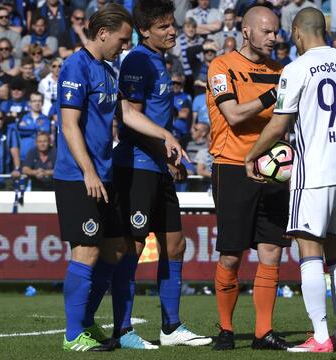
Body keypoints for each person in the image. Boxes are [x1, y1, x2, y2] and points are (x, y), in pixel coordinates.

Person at [246, 8, 336, 352]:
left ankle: (321, 336)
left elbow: (279, 125)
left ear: (298, 32)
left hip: (312, 174)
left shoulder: (295, 69)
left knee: (309, 252)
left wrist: (251, 154)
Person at [53, 3, 181, 352]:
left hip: (104, 176)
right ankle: (72, 335)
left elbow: (125, 112)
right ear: (103, 33)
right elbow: (68, 125)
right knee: (86, 252)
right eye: (122, 40)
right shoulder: (75, 66)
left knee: (114, 249)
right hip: (78, 177)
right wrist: (89, 171)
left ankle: (87, 323)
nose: (125, 46)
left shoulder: (107, 70)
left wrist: (164, 135)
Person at [111, 0, 210, 349]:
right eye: (164, 26)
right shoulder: (138, 60)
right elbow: (130, 118)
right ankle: (122, 331)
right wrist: (166, 145)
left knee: (175, 245)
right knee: (133, 248)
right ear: (145, 30)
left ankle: (171, 328)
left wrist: (169, 156)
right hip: (137, 167)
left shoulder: (158, 59)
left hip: (157, 166)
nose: (172, 31)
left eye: (172, 24)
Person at [207, 5, 289, 351]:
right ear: (246, 31)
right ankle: (226, 329)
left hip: (273, 172)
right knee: (231, 255)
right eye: (267, 31)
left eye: (276, 31)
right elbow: (235, 115)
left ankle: (263, 333)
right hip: (232, 166)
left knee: (271, 251)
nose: (274, 37)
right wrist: (274, 94)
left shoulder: (281, 69)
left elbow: (284, 122)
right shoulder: (221, 66)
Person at [17, 92, 50, 161]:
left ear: (43, 103)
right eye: (34, 101)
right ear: (29, 103)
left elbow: (44, 134)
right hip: (23, 157)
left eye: (39, 101)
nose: (37, 103)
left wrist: (27, 128)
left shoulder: (46, 120)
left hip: (40, 159)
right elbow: (19, 132)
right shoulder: (23, 117)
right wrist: (37, 128)